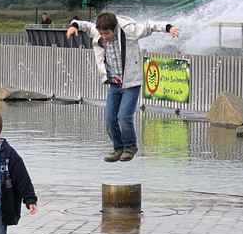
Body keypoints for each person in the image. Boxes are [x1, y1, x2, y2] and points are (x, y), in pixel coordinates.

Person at [66, 12, 179, 162]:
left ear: (115, 29)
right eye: (101, 33)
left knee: (124, 117)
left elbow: (149, 26)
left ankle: (130, 147)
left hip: (131, 83)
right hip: (114, 84)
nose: (104, 37)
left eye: (107, 33)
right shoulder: (98, 31)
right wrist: (74, 26)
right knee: (110, 119)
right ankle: (118, 148)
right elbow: (85, 25)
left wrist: (168, 28)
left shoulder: (129, 30)